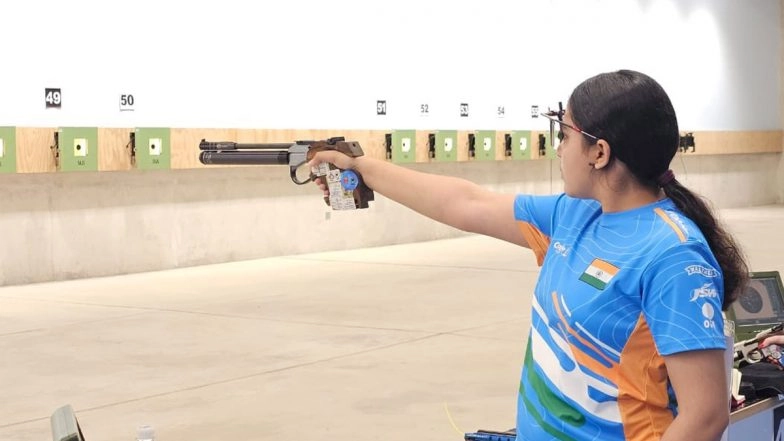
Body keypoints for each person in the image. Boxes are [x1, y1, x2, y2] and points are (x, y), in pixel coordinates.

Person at [308, 69, 749, 441]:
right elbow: (467, 203)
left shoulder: (673, 254)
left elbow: (705, 413)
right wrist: (361, 168)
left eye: (566, 134)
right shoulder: (574, 216)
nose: (558, 148)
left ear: (599, 152)